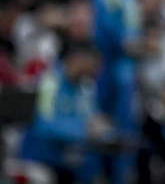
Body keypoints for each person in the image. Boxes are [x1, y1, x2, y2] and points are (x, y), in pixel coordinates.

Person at [89, 0, 159, 184]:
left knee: (125, 142)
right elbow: (118, 40)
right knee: (113, 142)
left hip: (126, 75)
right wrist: (146, 47)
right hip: (112, 74)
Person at [21, 41, 112, 184]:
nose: (90, 73)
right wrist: (83, 130)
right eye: (86, 67)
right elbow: (43, 125)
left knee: (93, 164)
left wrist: (103, 130)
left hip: (73, 158)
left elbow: (92, 120)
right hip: (45, 155)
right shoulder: (50, 82)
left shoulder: (86, 85)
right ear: (74, 60)